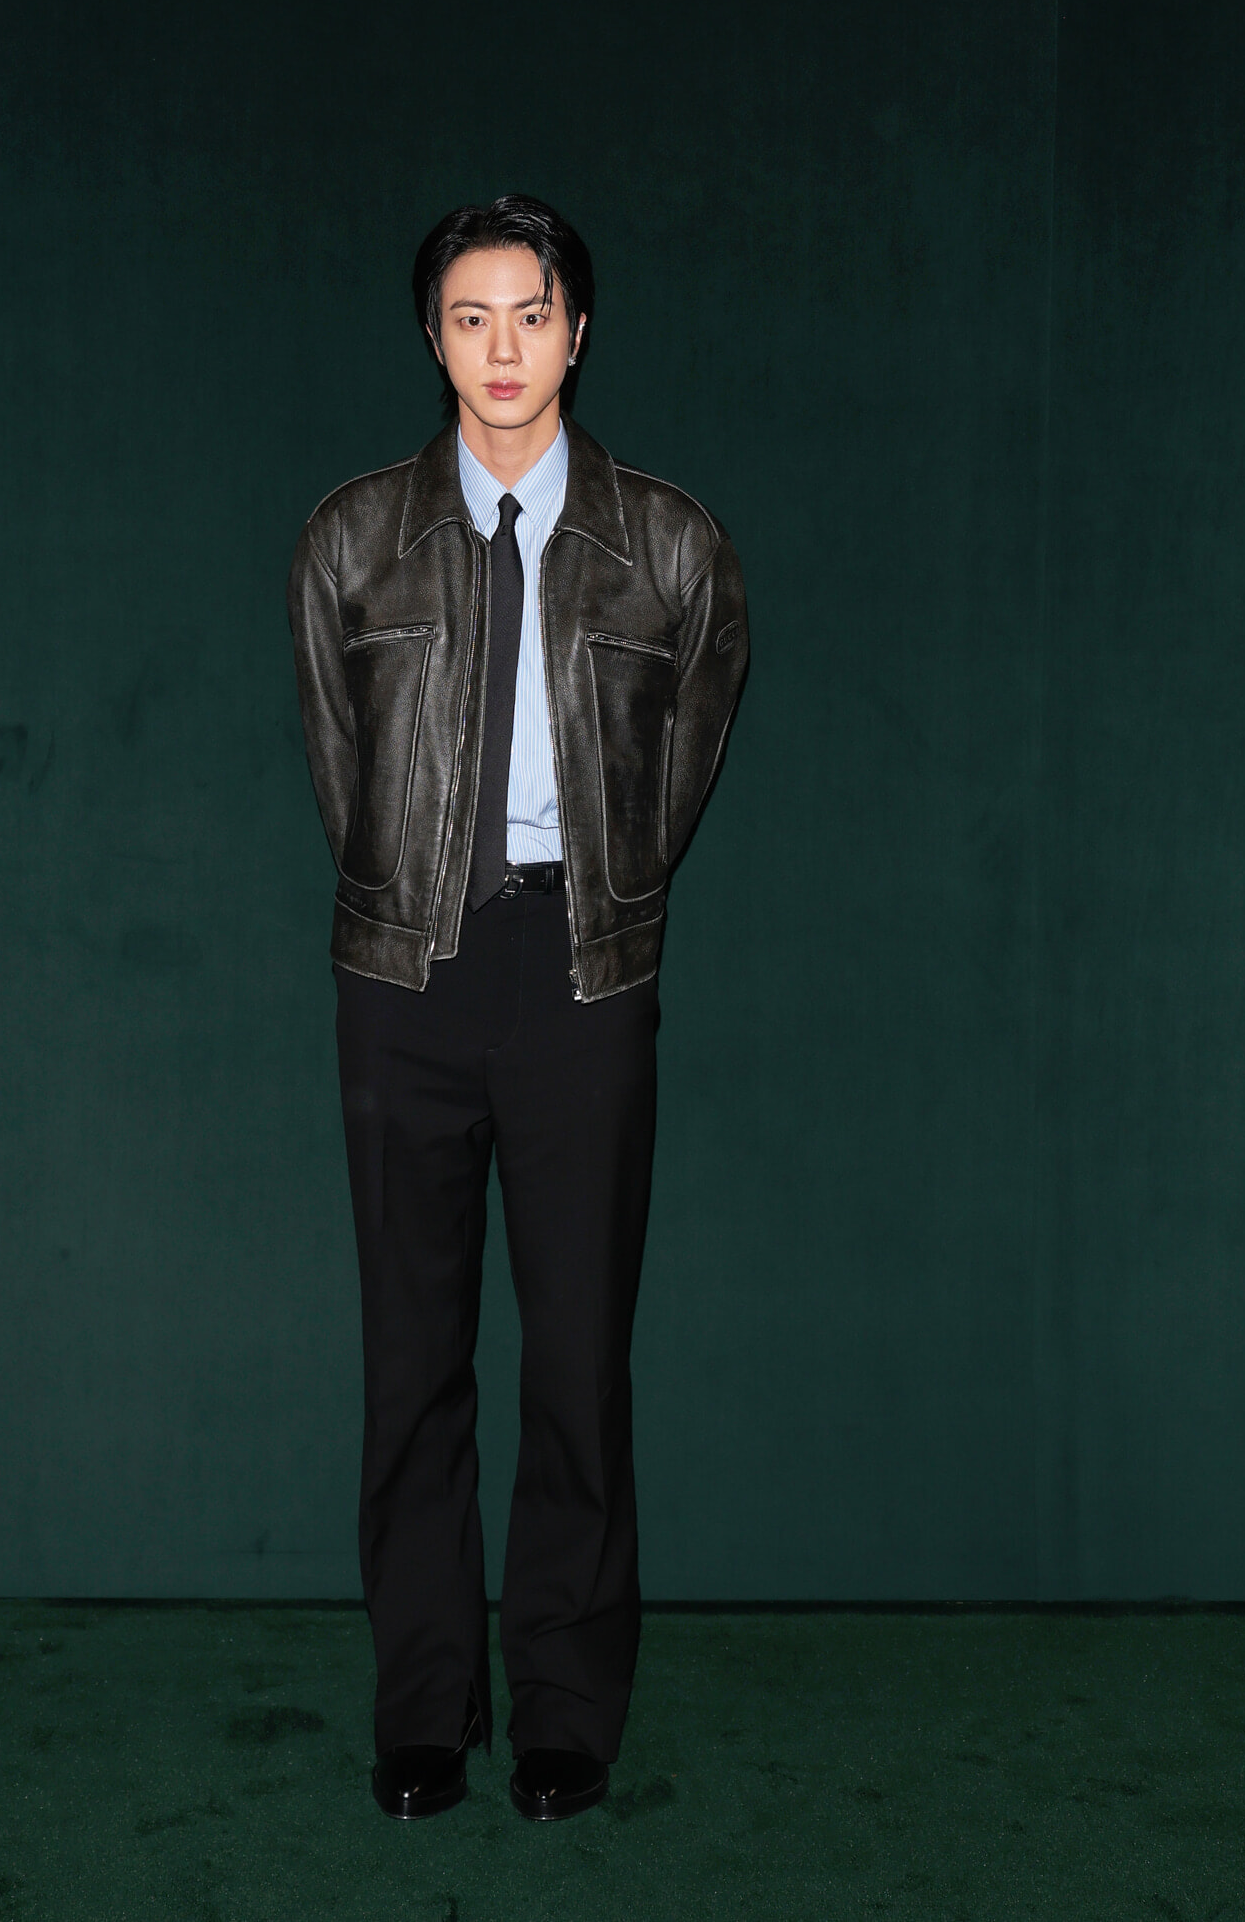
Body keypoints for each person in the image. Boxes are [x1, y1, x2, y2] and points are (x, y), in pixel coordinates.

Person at [286, 194, 748, 1822]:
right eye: (471, 316)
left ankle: (564, 1706)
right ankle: (425, 1705)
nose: (503, 347)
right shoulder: (353, 539)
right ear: (433, 337)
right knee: (410, 1358)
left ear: (578, 333)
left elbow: (680, 766)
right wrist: (419, 897)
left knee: (576, 1356)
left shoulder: (670, 544)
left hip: (580, 979)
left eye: (531, 315)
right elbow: (344, 770)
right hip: (402, 981)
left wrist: (592, 897)